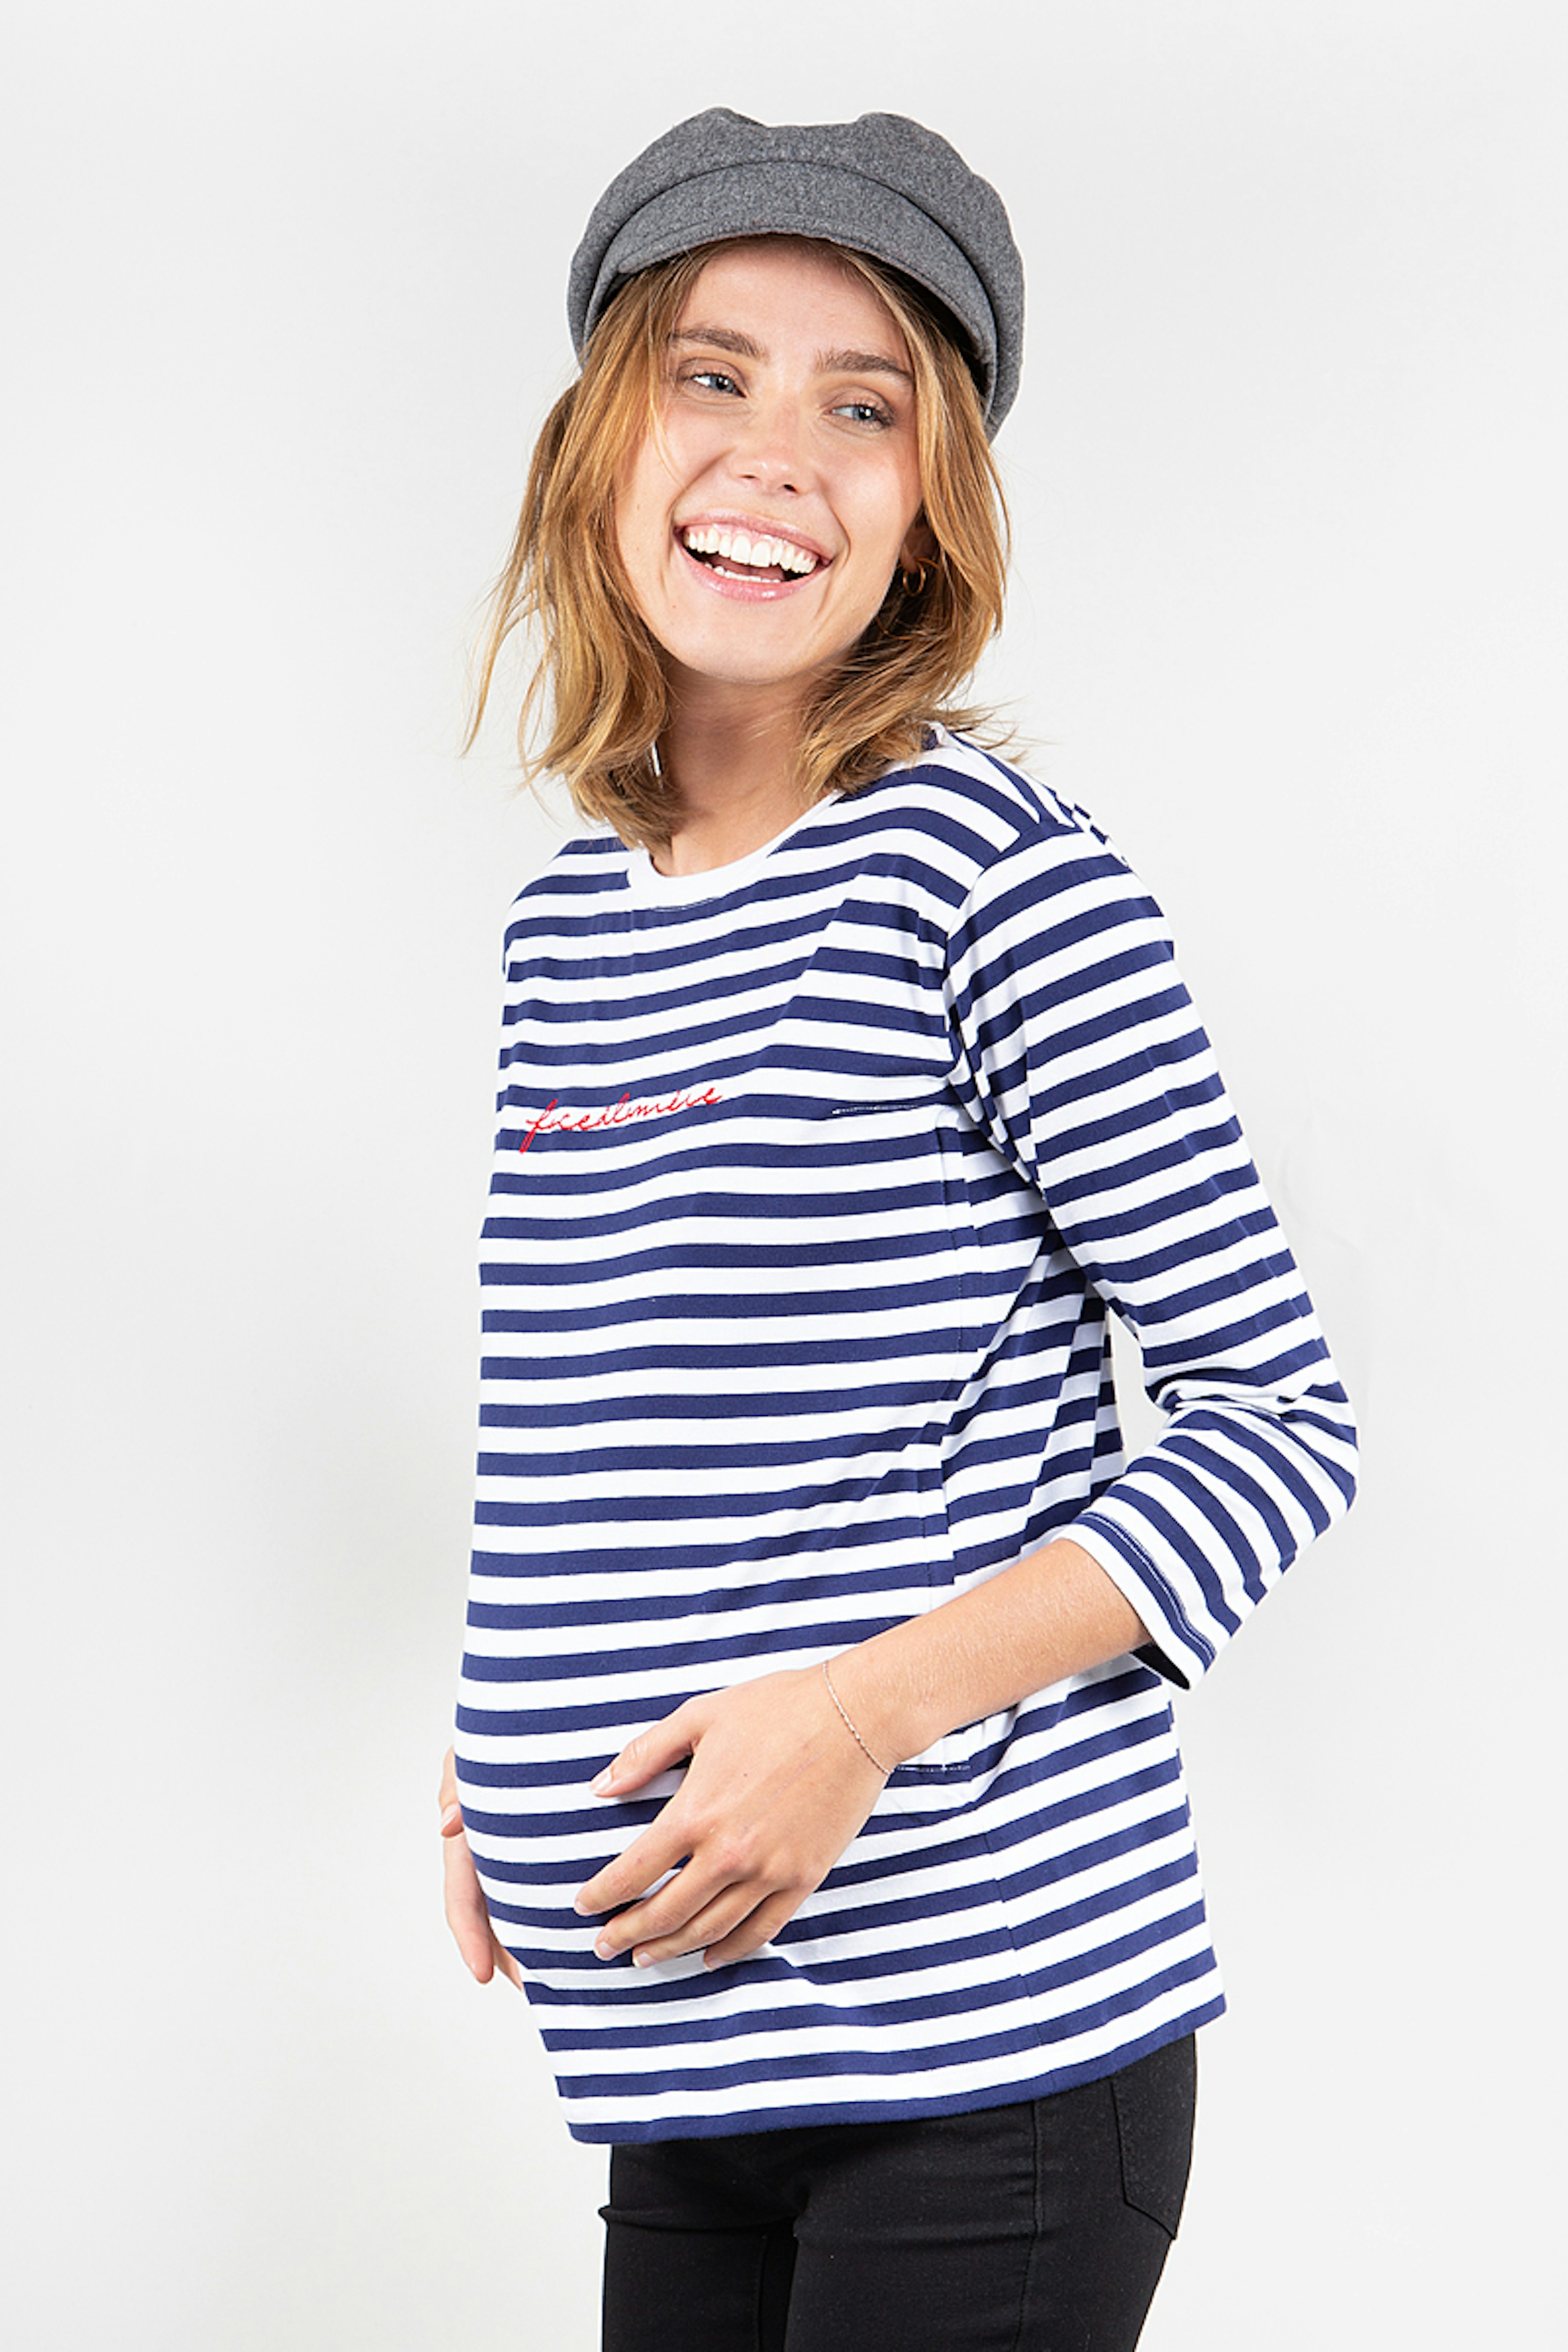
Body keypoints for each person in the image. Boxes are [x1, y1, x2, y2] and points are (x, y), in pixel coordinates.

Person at [437, 109, 1357, 2352]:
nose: (777, 455)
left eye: (866, 409)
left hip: (988, 2057)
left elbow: (1278, 1426)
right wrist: (511, 1735)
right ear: (597, 439)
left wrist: (854, 1725)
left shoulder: (993, 880)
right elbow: (624, 1401)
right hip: (683, 2033)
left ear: (933, 507)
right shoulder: (568, 928)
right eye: (711, 374)